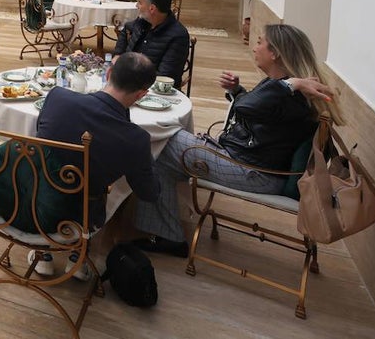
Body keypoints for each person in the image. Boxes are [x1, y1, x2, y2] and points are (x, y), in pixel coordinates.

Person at [133, 23, 340, 257]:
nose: (255, 47)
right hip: (247, 162)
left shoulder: (290, 93)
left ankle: (163, 228)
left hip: (254, 172)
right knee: (161, 151)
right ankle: (167, 232)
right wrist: (238, 90)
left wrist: (290, 84)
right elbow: (253, 110)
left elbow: (248, 108)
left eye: (260, 42)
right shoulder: (283, 89)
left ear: (275, 53)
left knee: (157, 139)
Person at [36, 52, 161, 227]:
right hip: (80, 218)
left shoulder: (57, 97)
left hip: (31, 196)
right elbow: (149, 193)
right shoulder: (135, 138)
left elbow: (41, 142)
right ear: (141, 94)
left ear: (108, 73)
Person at [112, 0, 190, 84]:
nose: (136, 6)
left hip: (154, 90)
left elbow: (165, 77)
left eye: (140, 2)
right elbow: (126, 28)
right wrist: (118, 54)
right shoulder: (141, 23)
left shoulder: (177, 36)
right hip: (128, 83)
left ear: (152, 8)